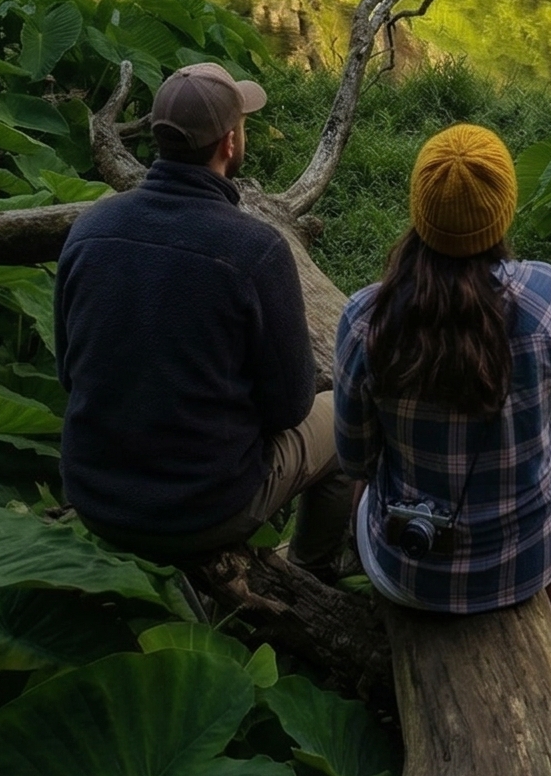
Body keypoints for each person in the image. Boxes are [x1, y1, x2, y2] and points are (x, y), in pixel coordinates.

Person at [55, 60, 352, 575]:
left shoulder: (89, 227)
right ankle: (312, 565)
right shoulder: (256, 250)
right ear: (230, 144)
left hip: (94, 494)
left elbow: (68, 373)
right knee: (344, 414)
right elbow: (290, 406)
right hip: (201, 510)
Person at [335, 124, 551, 616]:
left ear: (419, 210)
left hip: (410, 568)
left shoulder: (366, 319)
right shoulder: (547, 297)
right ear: (502, 211)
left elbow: (356, 458)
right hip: (530, 558)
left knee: (361, 489)